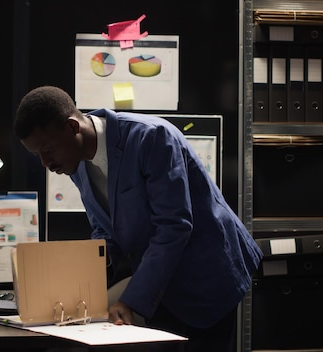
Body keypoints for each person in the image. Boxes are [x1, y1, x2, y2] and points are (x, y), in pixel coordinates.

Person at [14, 85, 263, 352]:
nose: (44, 162)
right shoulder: (75, 162)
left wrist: (131, 301)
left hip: (206, 275)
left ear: (73, 127)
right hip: (161, 281)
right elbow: (104, 227)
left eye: (47, 150)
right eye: (36, 154)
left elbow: (173, 227)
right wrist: (91, 264)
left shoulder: (151, 137)